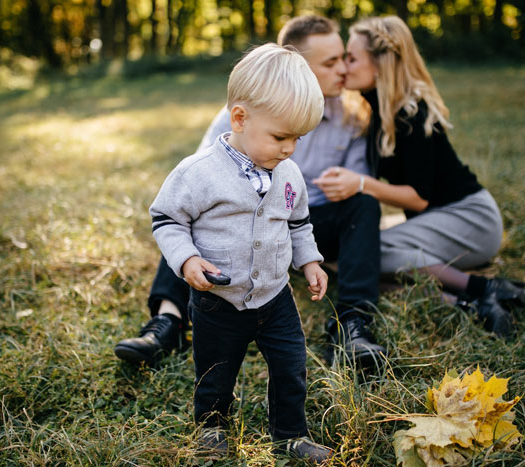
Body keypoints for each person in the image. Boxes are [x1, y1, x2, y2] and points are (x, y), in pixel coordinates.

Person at [115, 15, 386, 368]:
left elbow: (351, 187)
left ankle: (353, 325)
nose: (343, 71)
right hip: (241, 219)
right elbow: (198, 179)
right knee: (194, 218)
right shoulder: (245, 113)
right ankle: (169, 319)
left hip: (307, 219)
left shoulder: (351, 117)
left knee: (364, 206)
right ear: (297, 66)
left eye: (343, 59)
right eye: (331, 62)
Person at [149, 43, 332, 462]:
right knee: (215, 372)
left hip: (275, 296)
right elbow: (167, 219)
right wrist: (187, 260)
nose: (289, 148)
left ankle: (290, 434)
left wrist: (310, 261)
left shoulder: (289, 174)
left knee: (291, 367)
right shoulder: (198, 173)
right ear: (240, 118)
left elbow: (298, 222)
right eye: (280, 137)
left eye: (297, 139)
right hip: (218, 301)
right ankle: (211, 427)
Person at [314, 16, 525, 337]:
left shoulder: (410, 113)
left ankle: (485, 287)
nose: (344, 66)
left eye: (352, 58)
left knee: (368, 252)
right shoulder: (375, 111)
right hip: (438, 220)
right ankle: (465, 303)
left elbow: (419, 197)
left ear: (381, 65)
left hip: (470, 219)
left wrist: (359, 184)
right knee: (358, 262)